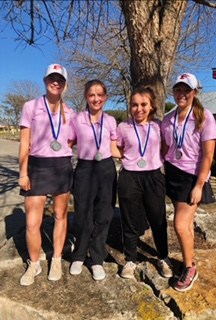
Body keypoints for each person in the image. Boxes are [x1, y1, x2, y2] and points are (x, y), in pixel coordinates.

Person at [161, 73, 216, 292]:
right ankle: (190, 260)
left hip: (192, 176)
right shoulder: (168, 119)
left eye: (187, 90)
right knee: (185, 225)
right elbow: (165, 149)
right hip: (173, 173)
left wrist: (199, 185)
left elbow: (208, 155)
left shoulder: (204, 116)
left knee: (179, 224)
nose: (182, 94)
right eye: (178, 89)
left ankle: (189, 267)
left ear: (195, 92)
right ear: (173, 91)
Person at [18, 63, 74, 286]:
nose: (55, 82)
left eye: (60, 79)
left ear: (65, 84)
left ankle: (57, 259)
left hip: (62, 166)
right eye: (52, 77)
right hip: (37, 166)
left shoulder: (70, 111)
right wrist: (23, 172)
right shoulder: (31, 106)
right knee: (33, 223)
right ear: (45, 80)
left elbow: (71, 140)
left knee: (60, 215)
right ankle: (34, 263)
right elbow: (24, 142)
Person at [116, 86, 172, 279]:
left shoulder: (158, 126)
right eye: (134, 105)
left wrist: (156, 160)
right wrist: (128, 157)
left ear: (152, 106)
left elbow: (165, 147)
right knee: (129, 221)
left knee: (158, 219)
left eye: (143, 104)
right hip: (130, 176)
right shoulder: (123, 127)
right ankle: (130, 260)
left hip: (153, 176)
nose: (138, 108)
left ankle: (163, 257)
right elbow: (116, 148)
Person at [68, 79, 118, 281]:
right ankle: (79, 255)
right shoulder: (77, 119)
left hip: (106, 168)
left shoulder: (111, 121)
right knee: (82, 214)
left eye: (99, 95)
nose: (96, 98)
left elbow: (114, 148)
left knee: (104, 214)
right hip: (85, 168)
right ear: (86, 97)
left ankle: (97, 258)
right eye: (91, 95)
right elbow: (68, 143)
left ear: (105, 97)